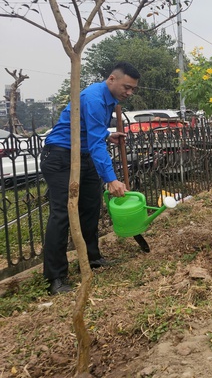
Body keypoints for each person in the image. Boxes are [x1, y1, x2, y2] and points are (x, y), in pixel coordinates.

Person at [42, 62, 140, 295]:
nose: (129, 92)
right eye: (127, 87)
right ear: (111, 79)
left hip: (82, 155)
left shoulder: (109, 100)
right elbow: (95, 144)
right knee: (62, 214)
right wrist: (111, 179)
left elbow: (91, 132)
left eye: (133, 89)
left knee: (90, 208)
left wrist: (108, 134)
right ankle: (55, 278)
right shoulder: (95, 98)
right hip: (61, 157)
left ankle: (92, 258)